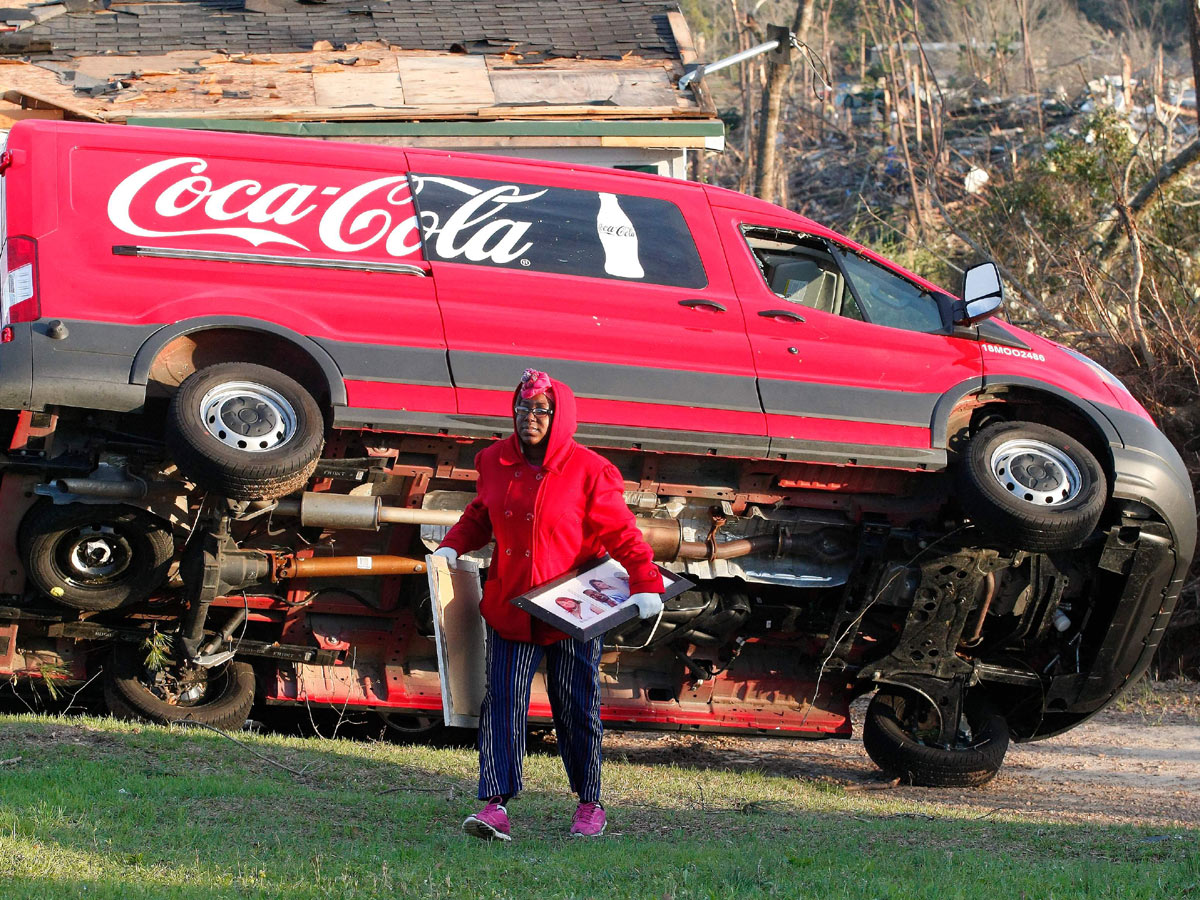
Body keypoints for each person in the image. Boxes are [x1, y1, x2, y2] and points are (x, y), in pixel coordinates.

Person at [433, 368, 664, 842]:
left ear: (561, 416)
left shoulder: (591, 470)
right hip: (511, 608)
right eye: (522, 408)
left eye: (541, 410)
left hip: (572, 612)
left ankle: (589, 802)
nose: (529, 418)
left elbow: (621, 533)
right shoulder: (492, 460)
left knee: (577, 707)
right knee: (502, 703)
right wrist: (453, 545)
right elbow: (482, 513)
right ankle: (495, 804)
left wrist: (645, 581)